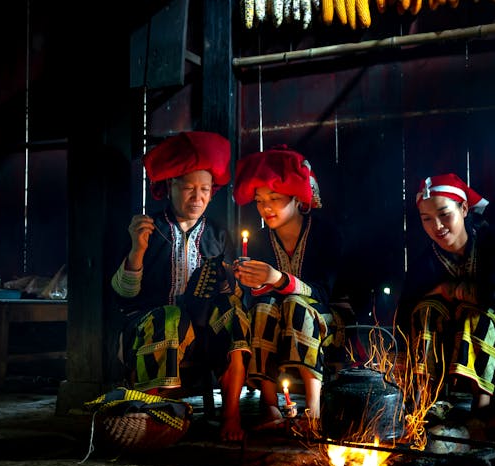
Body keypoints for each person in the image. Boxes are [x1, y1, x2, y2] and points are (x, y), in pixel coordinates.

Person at [110, 131, 251, 442]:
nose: (197, 197)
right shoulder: (148, 229)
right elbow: (124, 294)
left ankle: (231, 415)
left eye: (204, 190)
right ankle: (157, 415)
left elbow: (233, 293)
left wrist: (232, 281)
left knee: (233, 314)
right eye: (188, 188)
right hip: (153, 326)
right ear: (168, 187)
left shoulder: (218, 234)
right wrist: (137, 250)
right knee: (170, 317)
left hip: (203, 330)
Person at [232, 146, 342, 429]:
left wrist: (278, 279)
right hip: (274, 317)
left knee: (295, 304)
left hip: (324, 318)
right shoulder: (258, 240)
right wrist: (253, 283)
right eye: (259, 201)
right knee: (262, 307)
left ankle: (313, 408)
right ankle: (270, 406)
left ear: (297, 199)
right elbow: (257, 295)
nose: (266, 207)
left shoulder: (325, 234)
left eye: (275, 198)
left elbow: (323, 292)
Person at [396, 173, 495, 414]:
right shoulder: (426, 261)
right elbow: (406, 310)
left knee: (476, 314)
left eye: (444, 215)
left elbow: (494, 297)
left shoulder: (493, 241)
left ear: (464, 209)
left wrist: (448, 289)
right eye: (426, 219)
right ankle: (421, 404)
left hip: (494, 335)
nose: (436, 226)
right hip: (444, 341)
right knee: (425, 310)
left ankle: (481, 409)